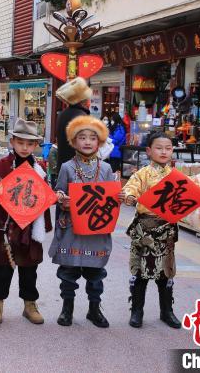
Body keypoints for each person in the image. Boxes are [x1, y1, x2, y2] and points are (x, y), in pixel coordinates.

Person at [0, 118, 51, 325]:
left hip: (29, 227)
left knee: (29, 269)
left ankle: (30, 305)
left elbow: (43, 195)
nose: (25, 147)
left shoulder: (39, 167)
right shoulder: (2, 164)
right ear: (12, 142)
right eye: (20, 142)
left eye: (30, 144)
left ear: (36, 146)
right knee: (0, 268)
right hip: (6, 226)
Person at [50, 116, 116, 328]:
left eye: (92, 138)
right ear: (73, 141)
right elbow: (58, 191)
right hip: (72, 228)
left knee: (95, 273)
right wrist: (62, 199)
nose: (87, 142)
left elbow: (110, 199)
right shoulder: (67, 167)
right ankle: (67, 308)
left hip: (97, 229)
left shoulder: (105, 169)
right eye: (82, 137)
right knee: (69, 272)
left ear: (100, 142)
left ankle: (94, 309)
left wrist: (119, 197)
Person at [121, 132, 185, 329]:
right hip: (145, 229)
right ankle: (137, 310)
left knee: (165, 273)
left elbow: (194, 189)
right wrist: (130, 196)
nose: (164, 151)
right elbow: (130, 188)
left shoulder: (176, 176)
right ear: (149, 151)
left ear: (172, 151)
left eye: (168, 148)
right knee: (141, 271)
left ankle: (167, 311)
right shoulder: (142, 174)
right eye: (159, 148)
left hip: (166, 229)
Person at [55, 78, 92, 174]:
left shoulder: (62, 114)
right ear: (84, 101)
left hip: (63, 167)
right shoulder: (81, 117)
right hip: (77, 171)